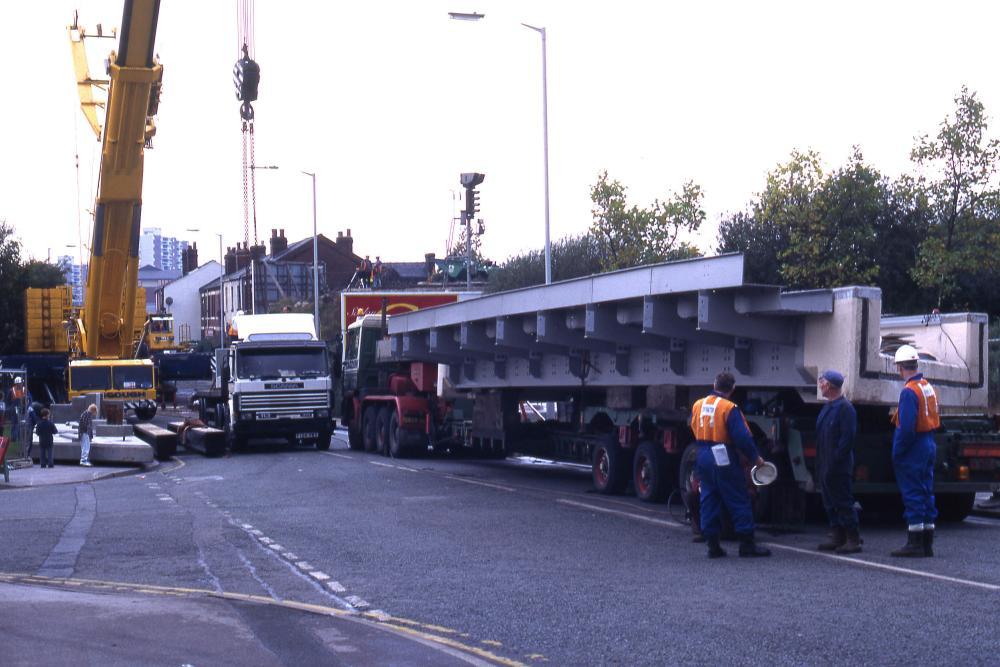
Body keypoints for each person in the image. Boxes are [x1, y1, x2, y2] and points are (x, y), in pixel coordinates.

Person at [690, 372, 771, 558]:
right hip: (722, 454)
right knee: (737, 497)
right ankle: (746, 544)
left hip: (702, 452)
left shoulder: (698, 404)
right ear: (732, 389)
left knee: (709, 497)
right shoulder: (729, 408)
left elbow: (694, 426)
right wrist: (755, 459)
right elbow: (742, 437)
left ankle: (713, 545)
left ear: (714, 384)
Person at [890, 345, 939, 557]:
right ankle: (927, 542)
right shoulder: (927, 386)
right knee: (926, 491)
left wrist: (897, 451)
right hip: (928, 442)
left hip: (915, 446)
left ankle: (915, 543)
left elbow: (907, 427)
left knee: (912, 493)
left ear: (900, 367)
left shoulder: (909, 391)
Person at [814, 369, 862, 553]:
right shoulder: (827, 407)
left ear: (830, 386)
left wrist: (835, 461)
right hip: (825, 462)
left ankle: (853, 537)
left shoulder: (845, 409)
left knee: (842, 500)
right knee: (829, 500)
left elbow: (847, 439)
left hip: (838, 465)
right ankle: (837, 535)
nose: (820, 385)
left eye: (822, 382)